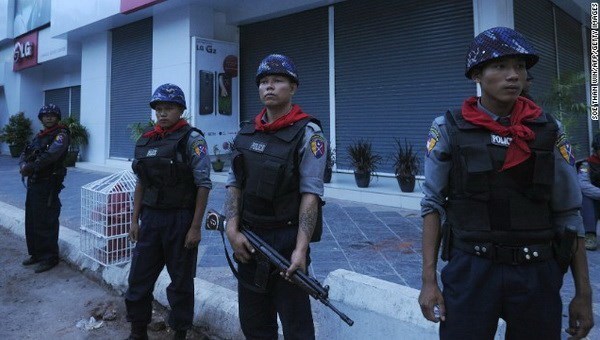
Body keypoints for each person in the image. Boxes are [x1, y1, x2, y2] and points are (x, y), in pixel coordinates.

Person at [418, 27, 594, 339]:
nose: (513, 75)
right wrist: (429, 280)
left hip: (536, 274)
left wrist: (583, 293)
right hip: (471, 270)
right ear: (477, 74)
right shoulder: (448, 128)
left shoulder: (549, 130)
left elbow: (569, 212)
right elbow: (432, 206)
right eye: (500, 66)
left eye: (520, 67)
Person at [223, 54, 326, 339]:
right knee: (254, 323)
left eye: (278, 81)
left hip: (285, 239)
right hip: (249, 238)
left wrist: (301, 249)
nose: (269, 87)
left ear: (293, 88)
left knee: (297, 327)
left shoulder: (309, 133)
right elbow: (234, 183)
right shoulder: (245, 132)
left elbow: (311, 194)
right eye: (264, 81)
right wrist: (231, 229)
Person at [125, 83, 212, 340]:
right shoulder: (146, 140)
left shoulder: (193, 139)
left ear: (181, 110)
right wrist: (134, 221)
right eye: (159, 109)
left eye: (169, 108)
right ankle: (137, 331)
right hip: (150, 219)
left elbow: (203, 184)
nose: (163, 114)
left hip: (180, 220)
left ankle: (179, 333)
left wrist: (195, 227)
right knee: (138, 278)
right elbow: (141, 183)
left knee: (181, 284)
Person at [19, 104, 70, 273]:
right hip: (34, 183)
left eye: (52, 115)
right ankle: (36, 254)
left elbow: (51, 155)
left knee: (46, 221)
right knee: (32, 219)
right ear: (41, 118)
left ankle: (49, 257)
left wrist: (31, 167)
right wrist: (23, 164)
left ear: (57, 117)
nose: (48, 117)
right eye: (45, 115)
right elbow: (25, 153)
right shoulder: (39, 136)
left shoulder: (61, 135)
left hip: (48, 183)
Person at [577, 133, 600, 251]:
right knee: (585, 197)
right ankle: (590, 235)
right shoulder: (587, 164)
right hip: (595, 200)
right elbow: (583, 185)